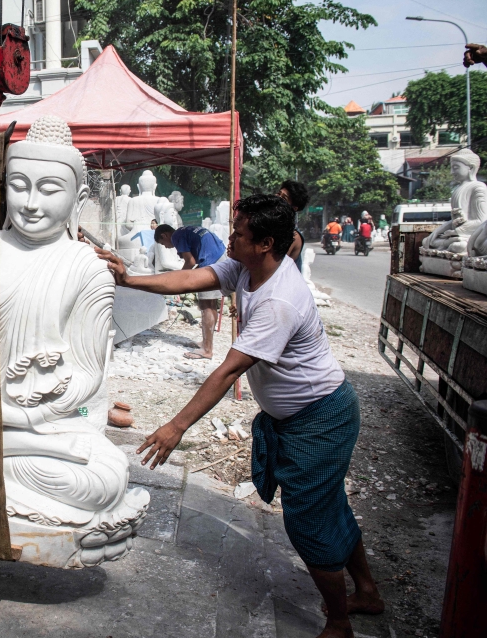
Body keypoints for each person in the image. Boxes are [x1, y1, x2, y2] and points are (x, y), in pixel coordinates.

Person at [96, 194, 383, 638]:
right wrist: (129, 278)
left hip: (321, 417)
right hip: (300, 416)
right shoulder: (248, 268)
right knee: (330, 507)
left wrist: (175, 426)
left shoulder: (279, 300)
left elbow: (229, 369)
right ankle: (366, 592)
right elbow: (191, 278)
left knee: (309, 520)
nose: (229, 237)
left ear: (265, 242)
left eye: (238, 232)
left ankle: (340, 620)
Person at [153, 223, 225, 360]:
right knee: (210, 304)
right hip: (219, 256)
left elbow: (190, 261)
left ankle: (207, 350)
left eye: (163, 243)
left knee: (206, 306)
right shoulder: (185, 230)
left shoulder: (177, 236)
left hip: (212, 261)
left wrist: (179, 281)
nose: (166, 247)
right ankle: (205, 342)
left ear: (165, 235)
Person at [276, 180, 309, 271]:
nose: (278, 198)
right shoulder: (273, 225)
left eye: (284, 198)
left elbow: (274, 265)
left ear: (294, 208)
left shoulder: (293, 235)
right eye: (279, 194)